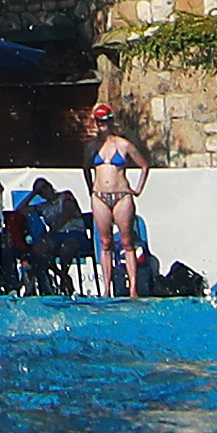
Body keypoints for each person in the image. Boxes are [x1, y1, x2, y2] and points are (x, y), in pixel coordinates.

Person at [87, 105, 150, 299]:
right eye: (99, 122)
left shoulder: (123, 145)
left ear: (111, 122)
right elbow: (85, 167)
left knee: (126, 242)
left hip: (121, 195)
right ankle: (107, 289)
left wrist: (137, 189)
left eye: (105, 122)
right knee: (105, 243)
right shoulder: (91, 146)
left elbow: (144, 165)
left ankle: (133, 288)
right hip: (100, 196)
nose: (102, 126)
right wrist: (92, 188)